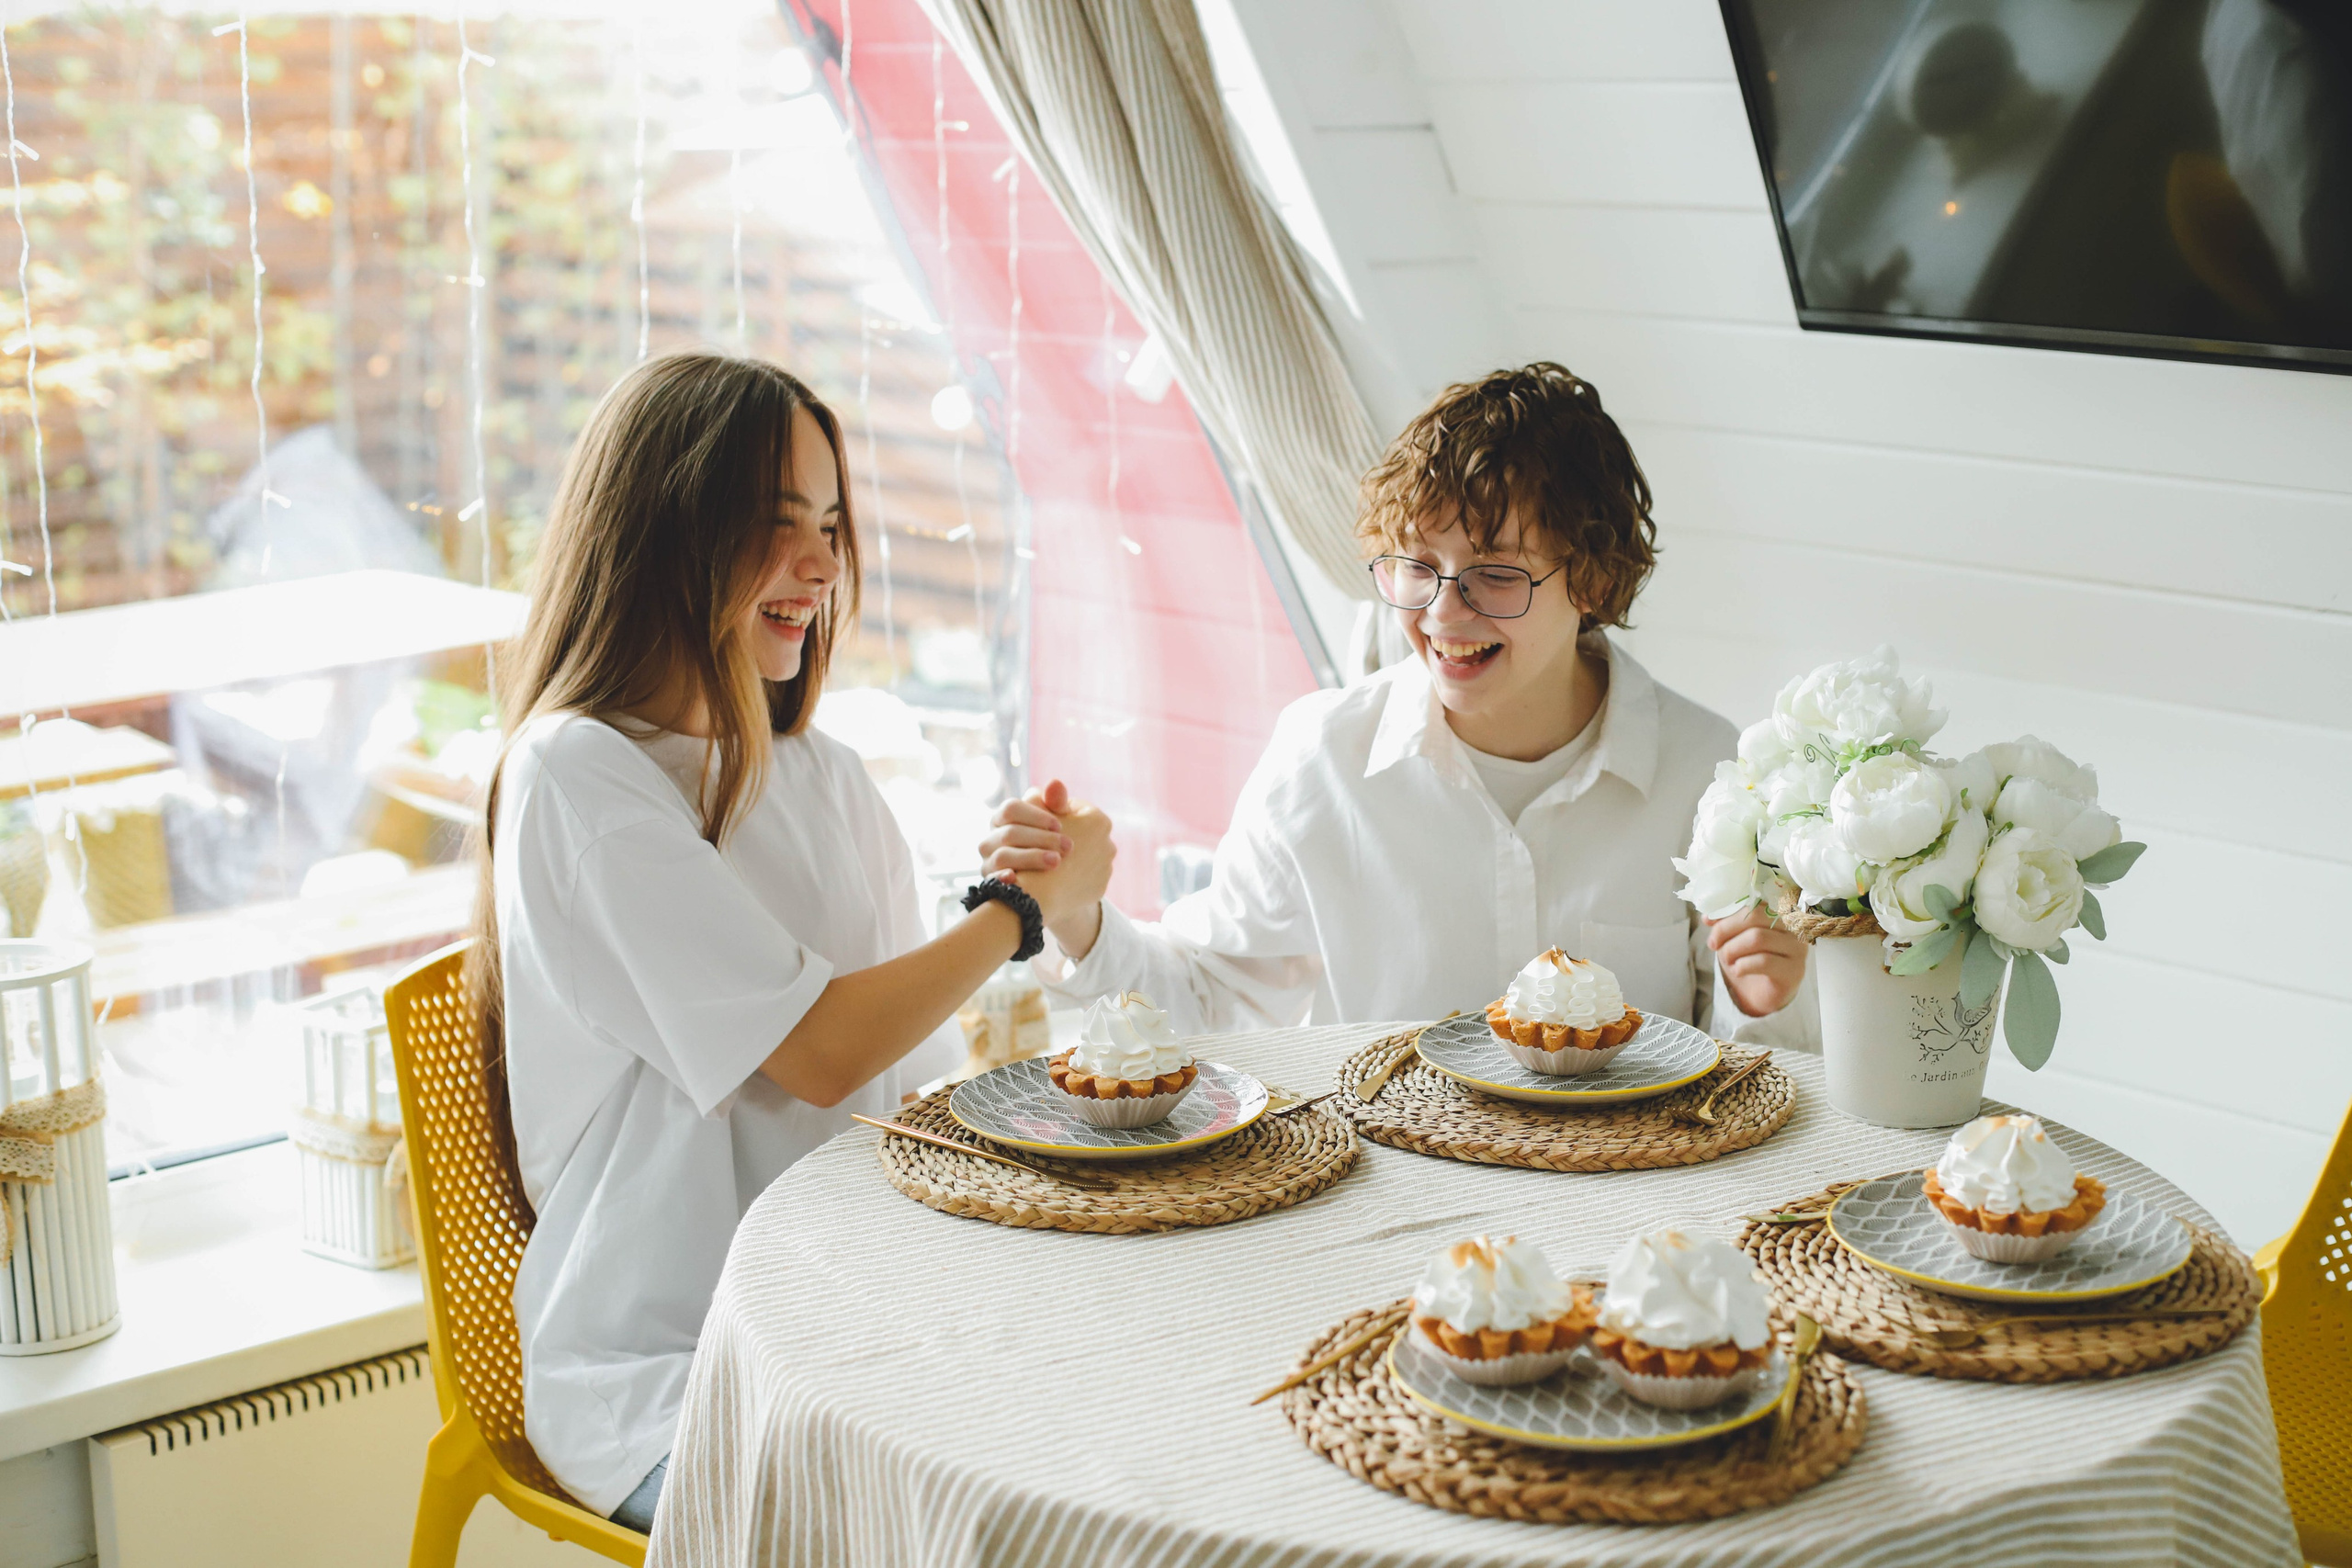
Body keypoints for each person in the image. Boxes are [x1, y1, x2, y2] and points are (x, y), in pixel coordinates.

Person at [468, 353, 1105, 1530]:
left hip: (867, 1335)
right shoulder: (577, 772)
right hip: (678, 1380)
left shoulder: (828, 776)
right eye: (776, 526)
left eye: (827, 525)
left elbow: (901, 1096)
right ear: (669, 534)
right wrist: (1011, 913)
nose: (821, 565)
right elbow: (818, 1053)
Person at [982, 363, 1815, 1043]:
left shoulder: (1710, 773)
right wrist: (1079, 915)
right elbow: (1208, 996)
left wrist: (1771, 999)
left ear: (1592, 580)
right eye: (1417, 565)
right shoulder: (1322, 757)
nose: (1444, 612)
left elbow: (1745, 1066)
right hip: (1386, 1220)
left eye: (1495, 572)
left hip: (1628, 1219)